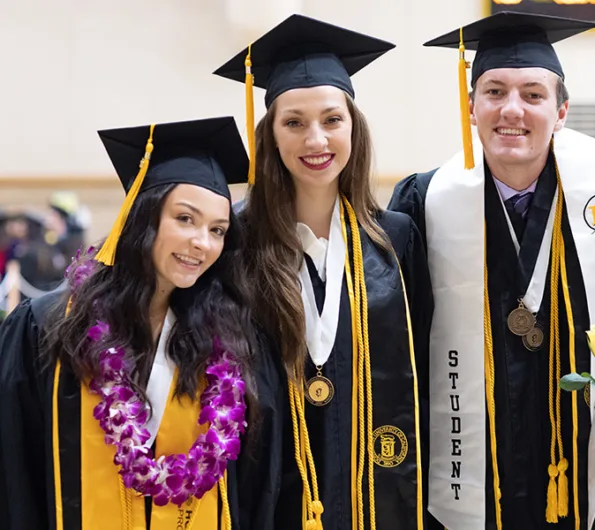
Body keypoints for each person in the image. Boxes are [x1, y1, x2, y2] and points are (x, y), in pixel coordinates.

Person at [388, 11, 595, 530]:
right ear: (470, 107)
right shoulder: (425, 202)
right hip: (476, 469)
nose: (513, 109)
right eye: (494, 92)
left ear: (562, 111)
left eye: (533, 94)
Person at [0, 116, 279, 529]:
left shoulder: (230, 342)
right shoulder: (49, 328)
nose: (202, 242)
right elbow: (14, 469)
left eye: (217, 230)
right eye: (185, 219)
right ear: (144, 217)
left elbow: (254, 484)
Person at [214, 14, 432, 530]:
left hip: (375, 488)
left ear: (353, 126)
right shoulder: (233, 241)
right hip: (267, 488)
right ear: (268, 134)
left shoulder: (396, 238)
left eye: (332, 119)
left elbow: (421, 362)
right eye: (294, 122)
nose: (316, 139)